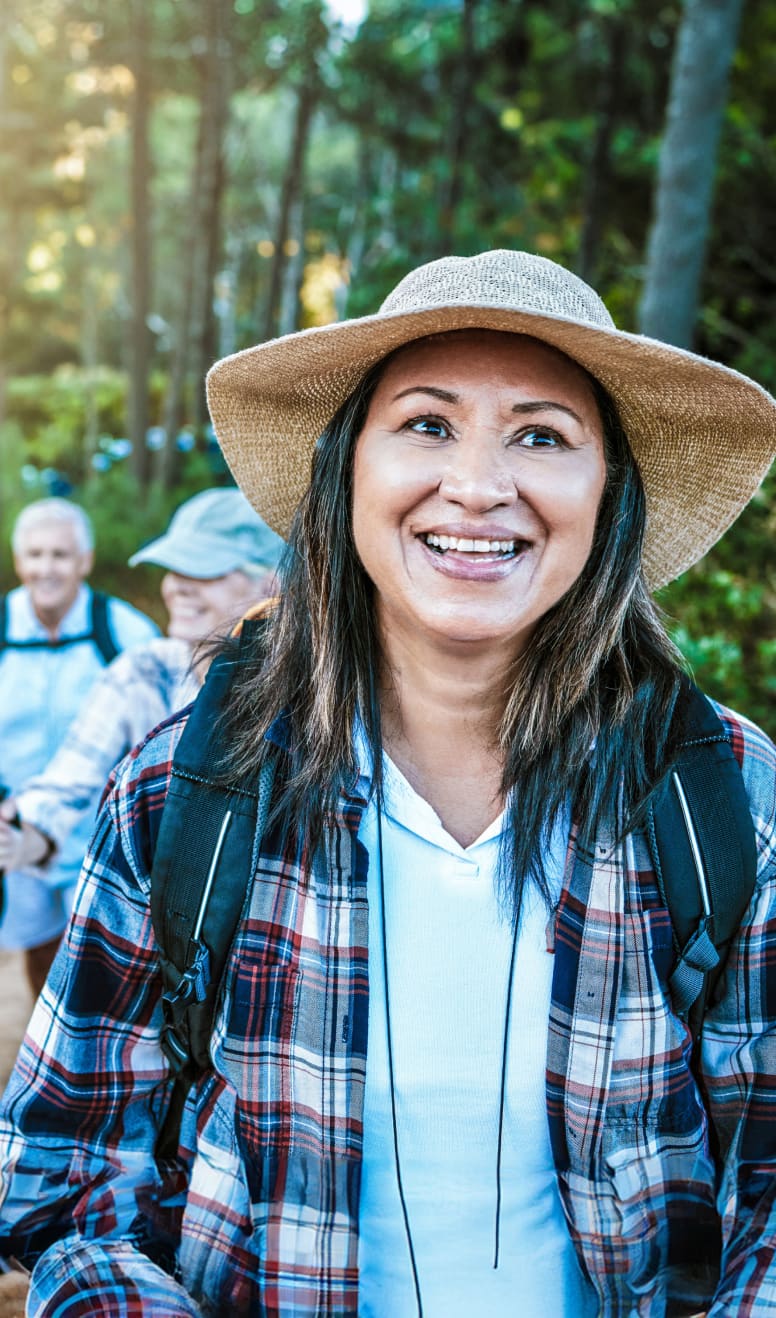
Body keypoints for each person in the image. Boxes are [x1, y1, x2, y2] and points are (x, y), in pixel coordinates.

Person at [0, 249, 774, 1317]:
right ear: (345, 469)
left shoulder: (716, 793)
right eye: (425, 423)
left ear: (609, 495)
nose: (476, 484)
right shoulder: (190, 788)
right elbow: (67, 1177)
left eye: (541, 435)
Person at [0, 488, 284, 879]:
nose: (178, 586)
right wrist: (20, 837)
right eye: (174, 569)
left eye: (203, 569)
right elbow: (70, 782)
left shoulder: (313, 694)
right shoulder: (146, 670)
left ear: (271, 585)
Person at [0, 497, 159, 996]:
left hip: (101, 832)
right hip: (17, 828)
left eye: (60, 555)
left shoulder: (125, 632)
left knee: (100, 962)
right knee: (38, 948)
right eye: (36, 554)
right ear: (18, 560)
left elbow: (159, 734)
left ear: (85, 561)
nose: (46, 568)